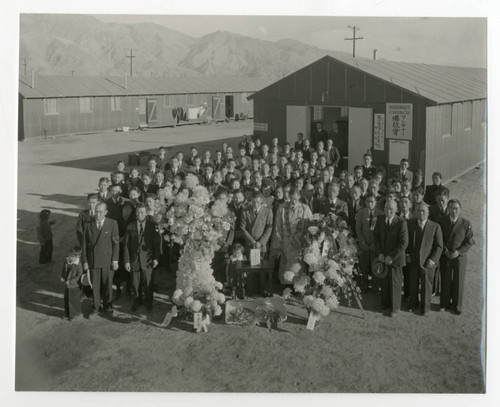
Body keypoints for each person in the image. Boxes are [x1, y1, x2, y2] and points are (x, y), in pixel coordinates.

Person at [81, 202, 120, 316]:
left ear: (106, 212)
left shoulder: (112, 224)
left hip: (107, 261)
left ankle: (108, 306)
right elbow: (84, 246)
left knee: (108, 285)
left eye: (101, 212)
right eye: (96, 212)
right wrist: (85, 262)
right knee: (95, 285)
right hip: (93, 261)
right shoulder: (88, 225)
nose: (98, 214)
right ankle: (96, 306)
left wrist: (115, 260)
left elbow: (116, 245)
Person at [438, 199, 474, 315]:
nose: (454, 211)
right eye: (451, 208)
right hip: (446, 255)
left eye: (456, 208)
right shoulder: (441, 221)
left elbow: (469, 241)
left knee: (459, 280)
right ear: (448, 209)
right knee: (445, 279)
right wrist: (445, 251)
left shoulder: (465, 223)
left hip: (459, 257)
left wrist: (458, 252)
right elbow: (438, 239)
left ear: (460, 210)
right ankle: (444, 303)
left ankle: (457, 305)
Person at [406, 203, 443, 316]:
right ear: (415, 212)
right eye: (419, 211)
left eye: (423, 211)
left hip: (427, 262)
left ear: (428, 213)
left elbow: (439, 246)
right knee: (413, 283)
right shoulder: (409, 224)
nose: (421, 213)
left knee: (426, 286)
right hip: (413, 261)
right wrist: (407, 255)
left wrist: (432, 259)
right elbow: (405, 241)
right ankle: (413, 304)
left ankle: (425, 307)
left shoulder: (435, 226)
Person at [373, 200, 409, 317]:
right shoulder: (379, 219)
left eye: (391, 209)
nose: (388, 211)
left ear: (396, 210)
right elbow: (376, 237)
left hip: (395, 259)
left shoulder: (401, 222)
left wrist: (392, 256)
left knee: (395, 283)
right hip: (383, 257)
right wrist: (380, 253)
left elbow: (403, 243)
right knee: (384, 282)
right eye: (387, 208)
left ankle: (395, 308)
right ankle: (385, 303)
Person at [271, 187, 313, 284]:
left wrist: (307, 240)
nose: (293, 201)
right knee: (287, 263)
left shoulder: (305, 208)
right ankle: (287, 285)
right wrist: (278, 241)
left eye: (295, 199)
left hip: (300, 241)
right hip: (286, 241)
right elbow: (277, 226)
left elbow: (310, 224)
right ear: (288, 197)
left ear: (299, 197)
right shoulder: (282, 208)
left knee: (298, 264)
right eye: (291, 199)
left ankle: (299, 286)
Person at [124, 203, 161, 312]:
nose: (140, 215)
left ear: (146, 213)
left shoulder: (152, 225)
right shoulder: (130, 226)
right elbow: (126, 245)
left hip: (147, 259)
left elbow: (156, 244)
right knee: (135, 283)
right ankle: (137, 300)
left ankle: (148, 302)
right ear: (135, 213)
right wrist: (126, 261)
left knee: (148, 282)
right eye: (138, 212)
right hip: (134, 260)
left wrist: (156, 258)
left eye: (142, 212)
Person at [355, 194, 384, 293]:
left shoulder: (380, 214)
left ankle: (375, 286)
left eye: (372, 202)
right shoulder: (361, 213)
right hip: (364, 244)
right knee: (363, 267)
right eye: (368, 201)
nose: (370, 204)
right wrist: (362, 242)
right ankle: (364, 286)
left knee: (375, 266)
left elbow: (381, 232)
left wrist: (374, 244)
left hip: (375, 245)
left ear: (375, 202)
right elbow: (358, 229)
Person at [240, 191, 274, 258]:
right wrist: (252, 241)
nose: (255, 204)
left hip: (262, 244)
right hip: (249, 243)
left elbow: (269, 228)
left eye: (257, 202)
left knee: (262, 266)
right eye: (253, 202)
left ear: (261, 200)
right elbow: (243, 228)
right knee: (249, 266)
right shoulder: (245, 211)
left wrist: (260, 242)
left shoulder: (268, 211)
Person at [60, 245, 83, 320]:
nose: (70, 258)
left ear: (78, 256)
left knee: (73, 300)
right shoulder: (67, 262)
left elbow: (79, 275)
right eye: (70, 255)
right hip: (67, 285)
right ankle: (67, 313)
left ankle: (73, 315)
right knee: (66, 299)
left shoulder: (78, 265)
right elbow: (64, 270)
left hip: (74, 286)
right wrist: (62, 277)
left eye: (72, 256)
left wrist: (70, 281)